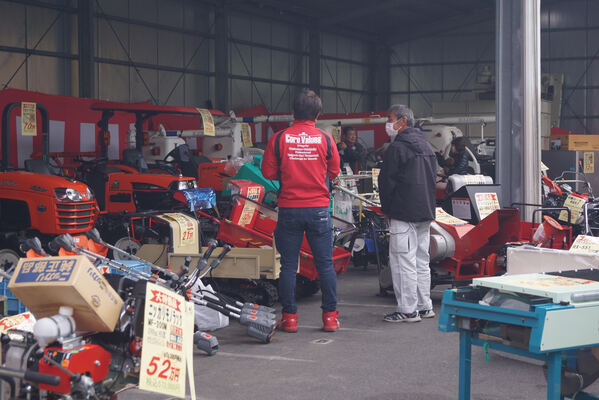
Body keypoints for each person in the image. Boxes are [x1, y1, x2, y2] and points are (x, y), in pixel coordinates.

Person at [261, 89, 341, 332]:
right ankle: (330, 318)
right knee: (325, 265)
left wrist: (289, 171)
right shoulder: (326, 139)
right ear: (318, 114)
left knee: (288, 266)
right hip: (318, 210)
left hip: (289, 209)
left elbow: (267, 172)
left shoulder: (279, 139)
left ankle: (290, 319)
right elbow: (334, 171)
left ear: (292, 112)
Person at [378, 104, 437, 323]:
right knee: (422, 261)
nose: (387, 123)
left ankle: (407, 310)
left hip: (403, 212)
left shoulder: (397, 148)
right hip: (426, 212)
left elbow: (386, 183)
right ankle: (424, 306)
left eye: (390, 118)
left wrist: (386, 209)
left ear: (403, 121)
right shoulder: (427, 147)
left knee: (403, 261)